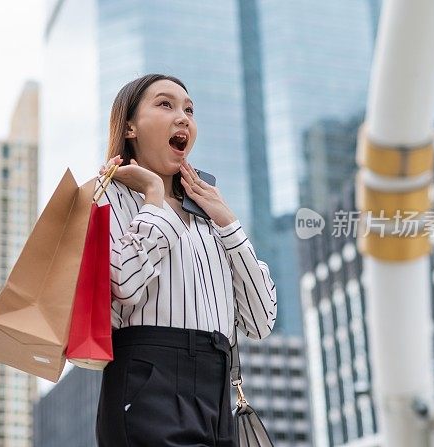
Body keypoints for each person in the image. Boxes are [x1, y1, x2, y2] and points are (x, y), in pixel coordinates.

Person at [93, 73, 277, 447]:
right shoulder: (107, 196)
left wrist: (227, 220)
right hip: (148, 379)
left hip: (215, 385)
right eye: (165, 104)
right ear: (130, 126)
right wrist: (154, 195)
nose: (183, 117)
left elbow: (260, 321)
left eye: (189, 109)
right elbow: (123, 283)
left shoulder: (208, 212)